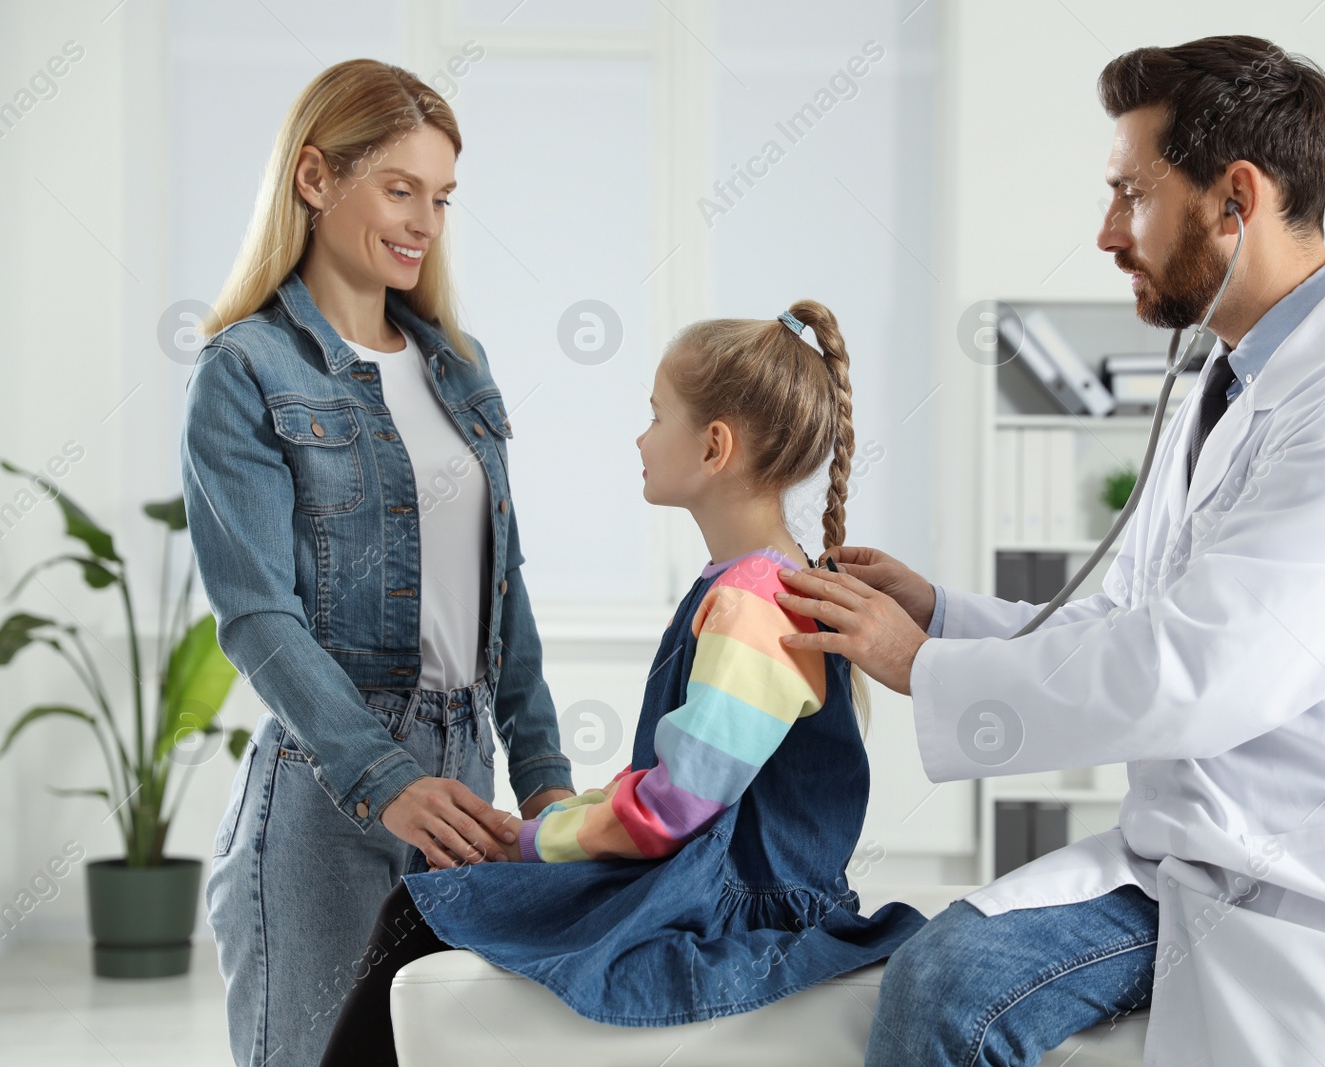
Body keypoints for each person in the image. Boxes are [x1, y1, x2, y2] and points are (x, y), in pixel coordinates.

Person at [775, 35, 1325, 1067]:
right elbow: (1135, 623)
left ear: (1233, 199)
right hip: (1201, 851)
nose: (1106, 231)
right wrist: (940, 615)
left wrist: (918, 667)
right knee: (943, 977)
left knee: (952, 996)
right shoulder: (1223, 381)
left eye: (1130, 194)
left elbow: (1198, 669)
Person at [318, 301, 928, 1064]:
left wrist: (531, 840)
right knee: (428, 902)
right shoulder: (750, 584)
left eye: (656, 413)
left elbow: (675, 806)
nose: (640, 436)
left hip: (727, 907)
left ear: (714, 446)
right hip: (706, 882)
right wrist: (547, 826)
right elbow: (671, 786)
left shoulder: (755, 603)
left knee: (421, 912)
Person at [181, 59, 575, 1067]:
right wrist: (384, 773)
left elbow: (503, 589)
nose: (424, 222)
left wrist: (544, 782)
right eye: (399, 189)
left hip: (468, 777)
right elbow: (257, 613)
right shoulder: (246, 370)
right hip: (327, 794)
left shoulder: (457, 365)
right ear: (314, 177)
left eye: (440, 197)